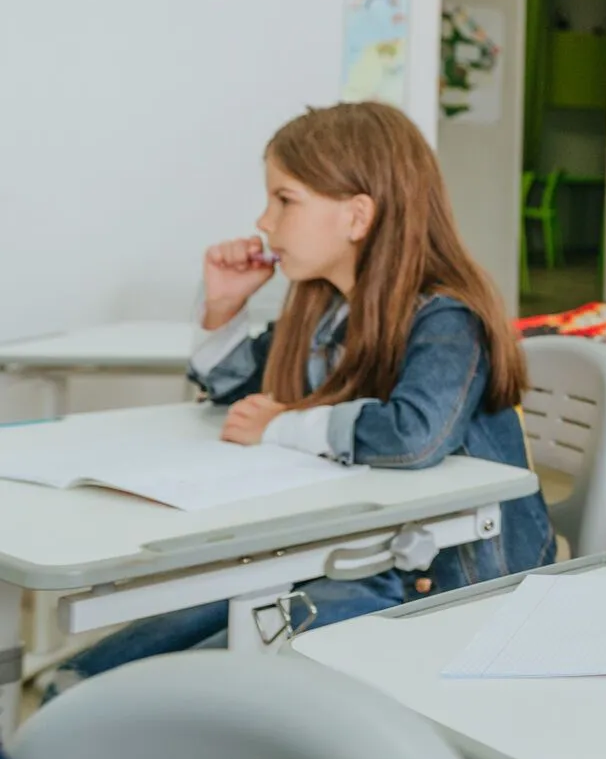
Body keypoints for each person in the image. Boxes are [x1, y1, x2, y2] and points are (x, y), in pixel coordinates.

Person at [48, 102, 555, 689]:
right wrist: (224, 309)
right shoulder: (328, 309)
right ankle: (82, 701)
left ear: (358, 216)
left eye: (285, 200)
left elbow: (415, 435)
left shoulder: (446, 317)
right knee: (90, 674)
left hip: (445, 583)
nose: (264, 221)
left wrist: (282, 423)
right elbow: (245, 392)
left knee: (184, 687)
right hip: (349, 557)